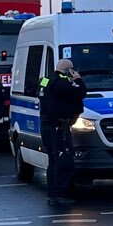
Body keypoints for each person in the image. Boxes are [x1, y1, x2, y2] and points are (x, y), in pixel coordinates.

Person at [39, 55, 86, 209]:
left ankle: (54, 194)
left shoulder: (45, 80)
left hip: (47, 125)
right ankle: (59, 194)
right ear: (68, 71)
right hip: (58, 126)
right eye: (71, 69)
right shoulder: (64, 82)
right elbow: (80, 93)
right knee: (63, 160)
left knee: (53, 160)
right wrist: (78, 80)